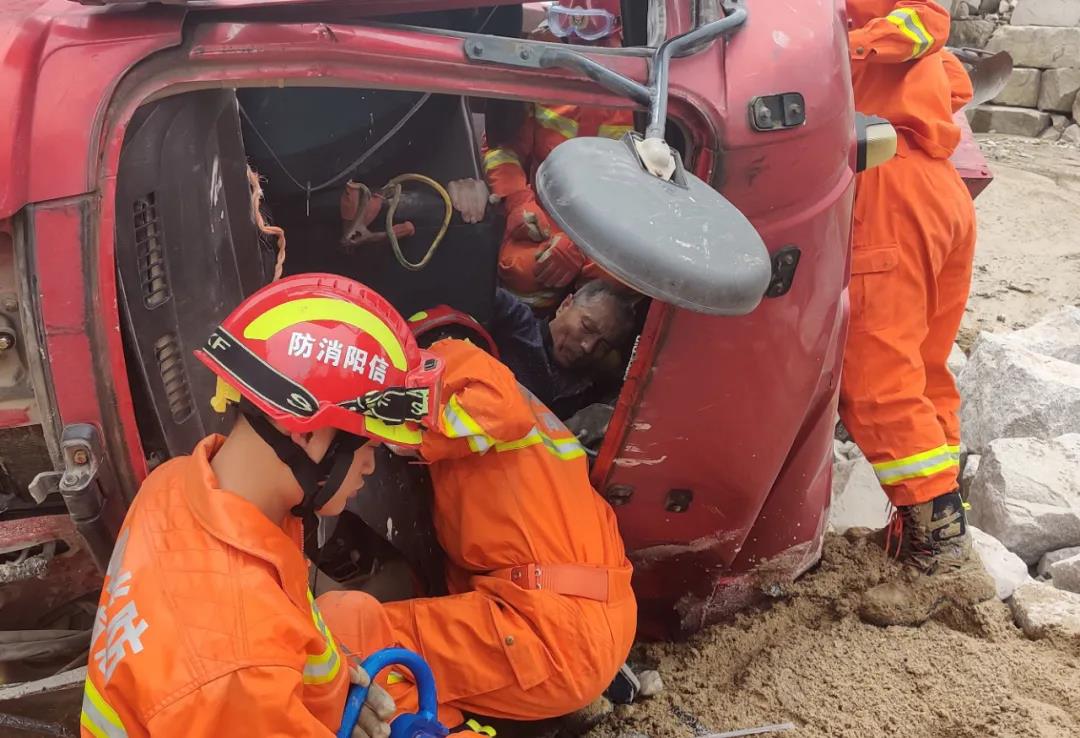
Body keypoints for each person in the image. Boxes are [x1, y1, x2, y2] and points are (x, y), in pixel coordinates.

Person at [80, 274, 444, 738]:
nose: (371, 466)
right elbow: (240, 665)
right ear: (305, 432)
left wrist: (333, 696)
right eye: (370, 442)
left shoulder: (177, 485)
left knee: (358, 614)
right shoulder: (238, 667)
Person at [318, 324, 637, 727]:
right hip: (605, 622)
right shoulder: (541, 431)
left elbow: (499, 408)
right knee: (423, 674)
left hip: (548, 630)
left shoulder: (452, 358)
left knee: (351, 634)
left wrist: (393, 426)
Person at [841, 0, 995, 624]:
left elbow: (925, 21)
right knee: (926, 373)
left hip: (890, 188)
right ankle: (931, 527)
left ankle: (943, 561)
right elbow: (949, 69)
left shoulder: (859, 23)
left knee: (877, 379)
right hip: (940, 184)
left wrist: (840, 52)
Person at [481, 0, 635, 308]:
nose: (577, 38)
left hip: (616, 227)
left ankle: (588, 341)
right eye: (568, 24)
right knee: (521, 269)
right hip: (544, 215)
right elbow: (502, 147)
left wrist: (581, 243)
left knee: (616, 283)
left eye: (590, 25)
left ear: (619, 25)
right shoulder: (539, 60)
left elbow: (647, 188)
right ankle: (529, 336)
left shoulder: (643, 77)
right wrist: (518, 204)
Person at [487, 280, 634, 419]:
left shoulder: (589, 391)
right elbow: (476, 285)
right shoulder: (516, 323)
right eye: (587, 327)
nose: (588, 347)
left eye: (603, 346)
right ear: (565, 305)